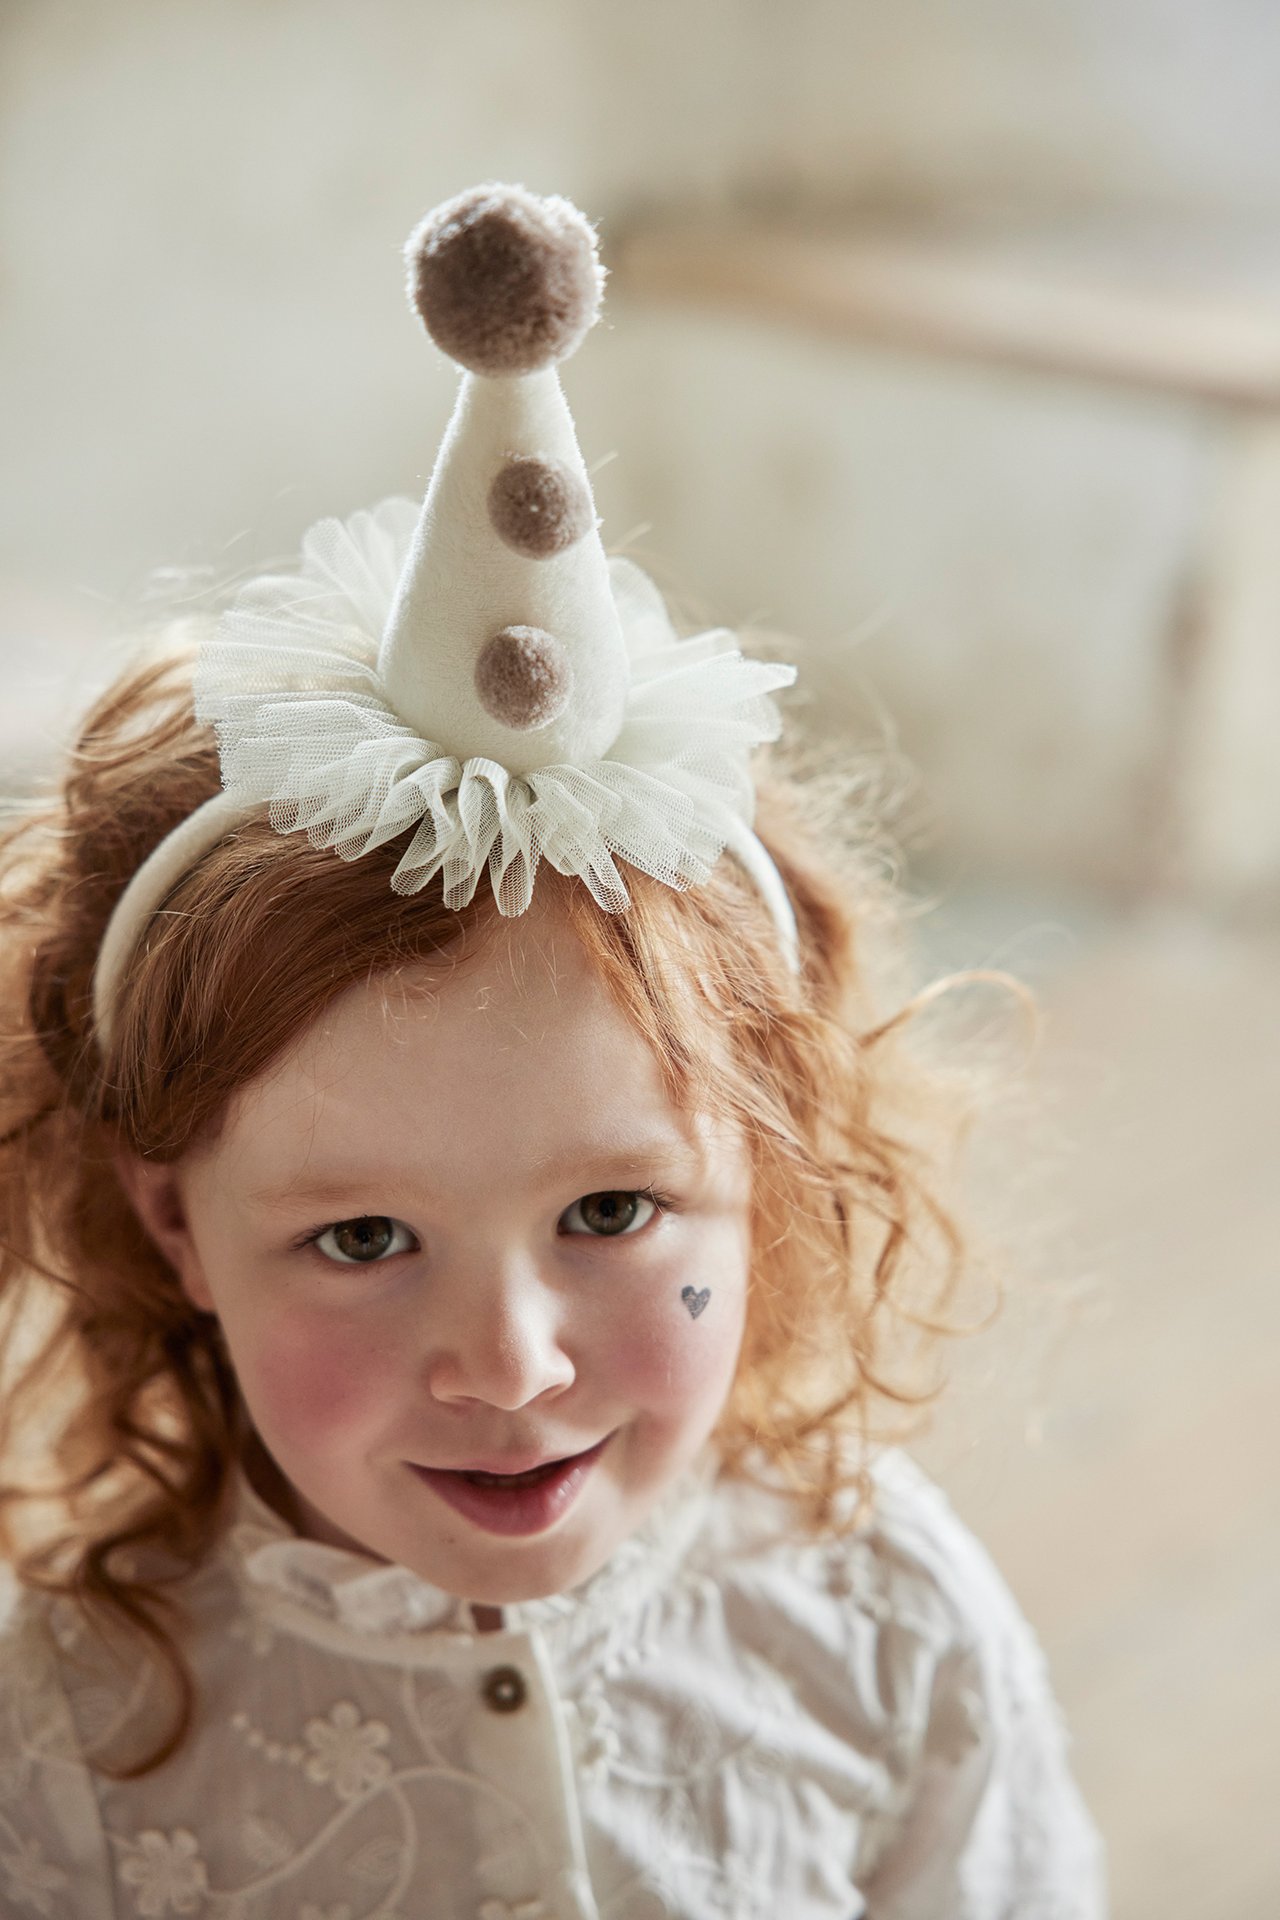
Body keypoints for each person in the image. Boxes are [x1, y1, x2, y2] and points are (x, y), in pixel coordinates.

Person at [0, 183, 1105, 1919]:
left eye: (609, 1212)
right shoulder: (74, 1733)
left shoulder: (885, 1627)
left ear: (763, 1154)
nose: (507, 1369)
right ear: (169, 1227)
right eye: (362, 1239)